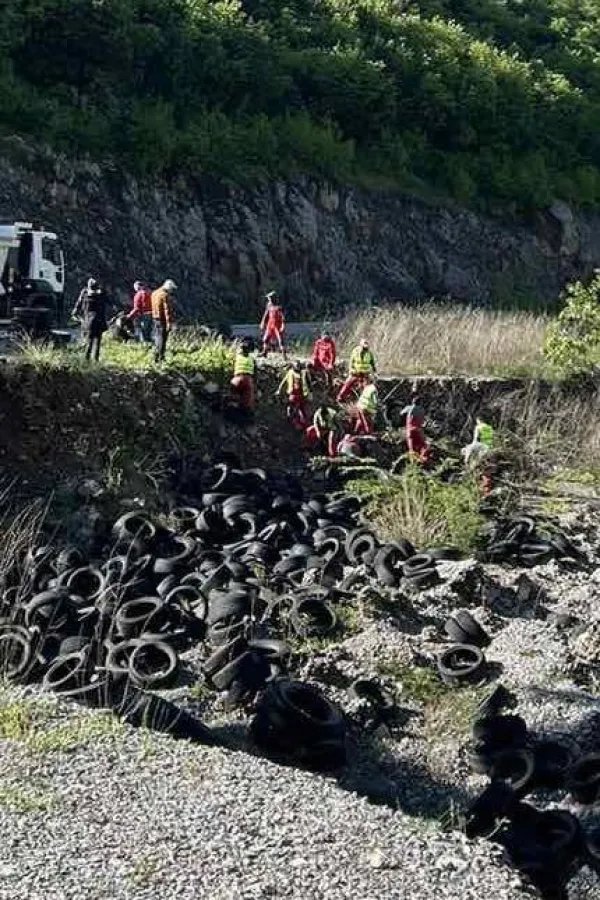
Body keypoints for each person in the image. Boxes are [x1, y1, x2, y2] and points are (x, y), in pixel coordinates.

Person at [71, 278, 114, 362]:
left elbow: (78, 305)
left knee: (89, 341)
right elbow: (111, 304)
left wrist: (75, 313)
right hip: (99, 320)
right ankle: (96, 359)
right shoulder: (102, 294)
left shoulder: (85, 294)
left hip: (89, 321)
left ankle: (86, 359)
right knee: (98, 341)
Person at [277, 360, 310, 429]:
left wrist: (310, 393)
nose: (298, 368)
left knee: (302, 408)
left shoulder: (304, 373)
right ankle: (293, 421)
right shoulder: (290, 372)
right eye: (296, 366)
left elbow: (309, 383)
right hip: (293, 394)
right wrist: (279, 390)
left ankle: (303, 422)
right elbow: (284, 381)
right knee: (292, 407)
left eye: (298, 366)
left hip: (302, 394)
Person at [401, 391, 432, 463]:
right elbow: (422, 420)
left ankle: (413, 464)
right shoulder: (422, 410)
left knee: (411, 449)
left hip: (409, 431)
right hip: (418, 430)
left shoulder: (409, 408)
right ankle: (423, 460)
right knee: (423, 446)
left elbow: (401, 413)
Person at [151, 279, 177, 363]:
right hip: (162, 320)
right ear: (168, 288)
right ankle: (161, 357)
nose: (172, 291)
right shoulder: (164, 295)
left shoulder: (154, 293)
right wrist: (169, 323)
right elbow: (167, 310)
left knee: (157, 337)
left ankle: (155, 356)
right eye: (172, 289)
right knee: (162, 339)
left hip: (155, 318)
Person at [231, 340, 256, 410]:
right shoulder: (251, 359)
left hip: (236, 379)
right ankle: (245, 414)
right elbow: (255, 372)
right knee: (247, 404)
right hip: (247, 380)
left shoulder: (237, 357)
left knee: (234, 399)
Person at [260, 291, 286, 357]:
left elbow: (282, 317)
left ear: (273, 298)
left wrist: (283, 326)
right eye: (268, 298)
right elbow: (266, 314)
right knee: (266, 339)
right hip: (270, 324)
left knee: (280, 340)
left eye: (269, 298)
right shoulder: (269, 305)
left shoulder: (279, 306)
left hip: (277, 324)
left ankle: (284, 355)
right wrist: (262, 322)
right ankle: (264, 352)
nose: (269, 299)